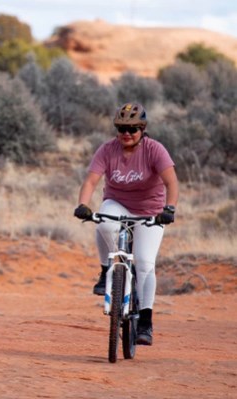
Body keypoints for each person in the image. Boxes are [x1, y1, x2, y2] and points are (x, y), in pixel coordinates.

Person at [73, 102, 179, 345]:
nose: (126, 134)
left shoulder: (154, 150)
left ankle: (145, 321)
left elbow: (171, 183)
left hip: (150, 211)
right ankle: (104, 271)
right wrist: (82, 204)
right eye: (121, 128)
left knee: (144, 263)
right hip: (117, 202)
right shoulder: (107, 150)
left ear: (142, 129)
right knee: (103, 223)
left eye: (132, 129)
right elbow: (91, 181)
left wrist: (169, 209)